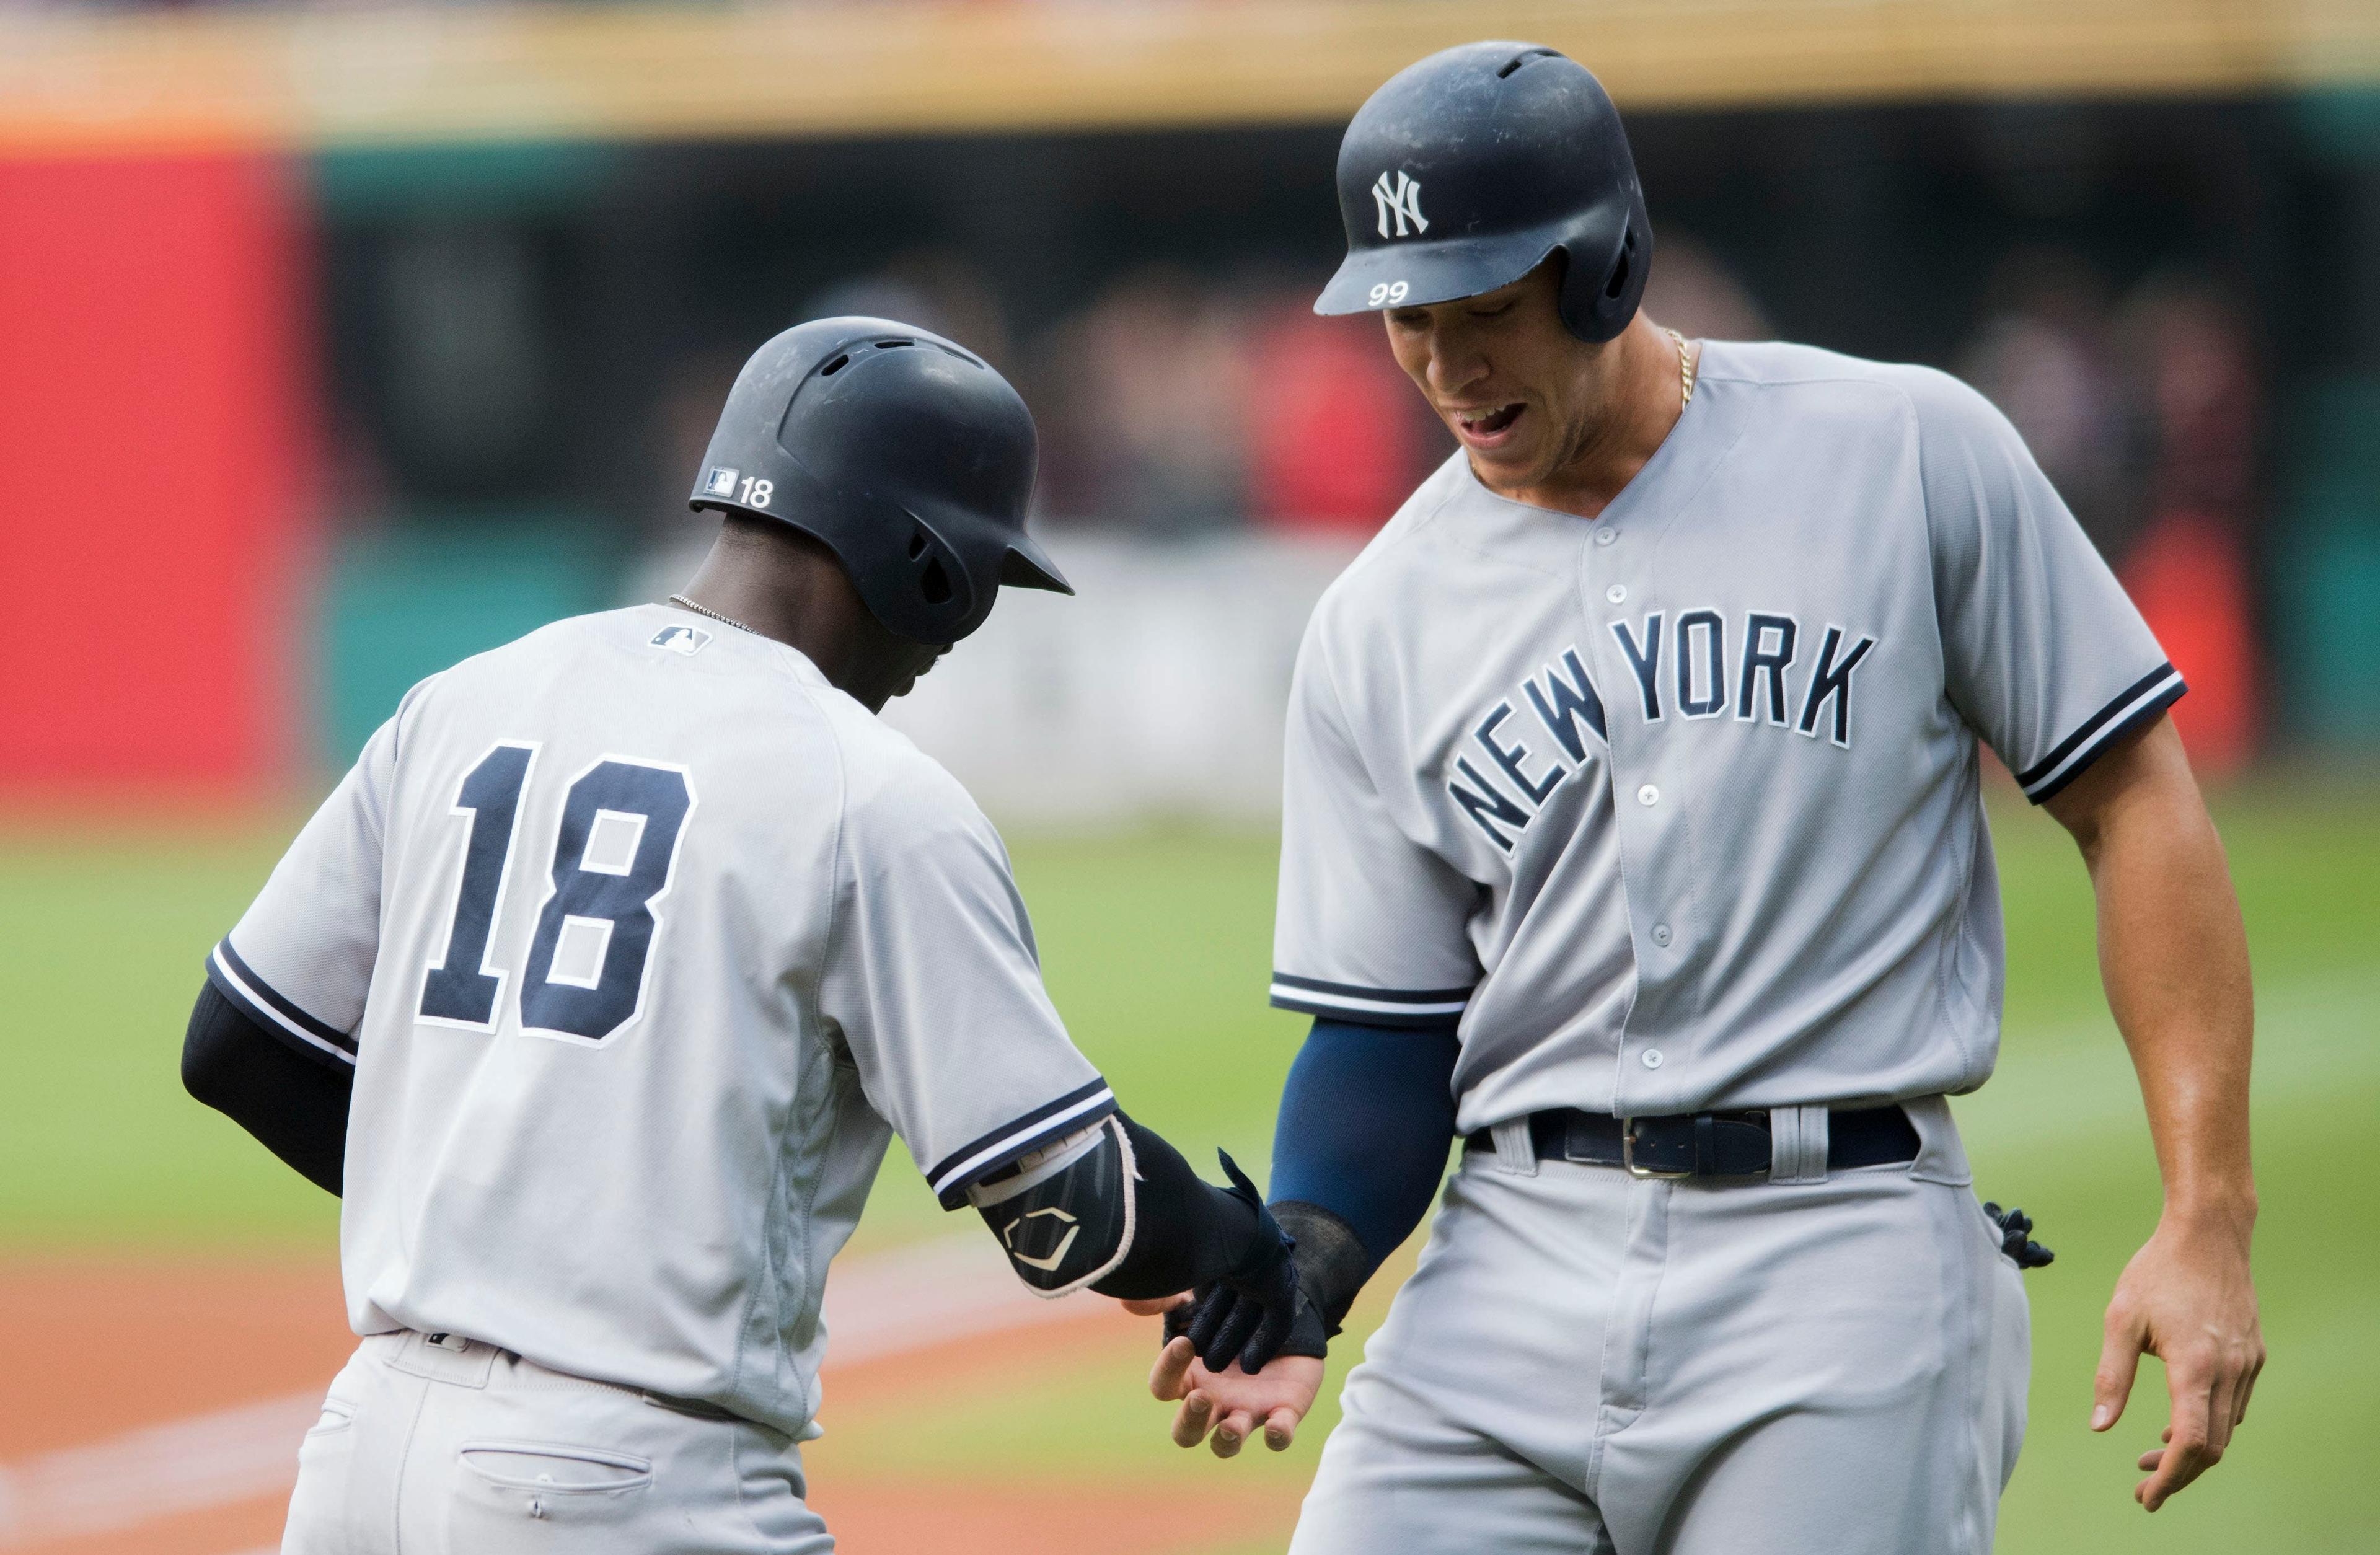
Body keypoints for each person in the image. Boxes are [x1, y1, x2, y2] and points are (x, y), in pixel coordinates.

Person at [1139, 43, 2263, 1554]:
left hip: (1843, 1257)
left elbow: (2134, 800)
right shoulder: (1376, 617)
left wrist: (2208, 1214)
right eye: (1410, 318)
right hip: (1507, 1272)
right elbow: (1387, 1030)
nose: (1448, 365)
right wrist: (1311, 1256)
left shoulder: (1903, 451)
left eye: (1486, 311)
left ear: (1606, 267)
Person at [180, 316, 1321, 1554]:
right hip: (625, 1486)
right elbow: (1060, 1195)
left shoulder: (461, 701)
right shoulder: (866, 791)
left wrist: (507, 1215)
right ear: (924, 559)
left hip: (359, 1458)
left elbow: (238, 1044)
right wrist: (1243, 1251)